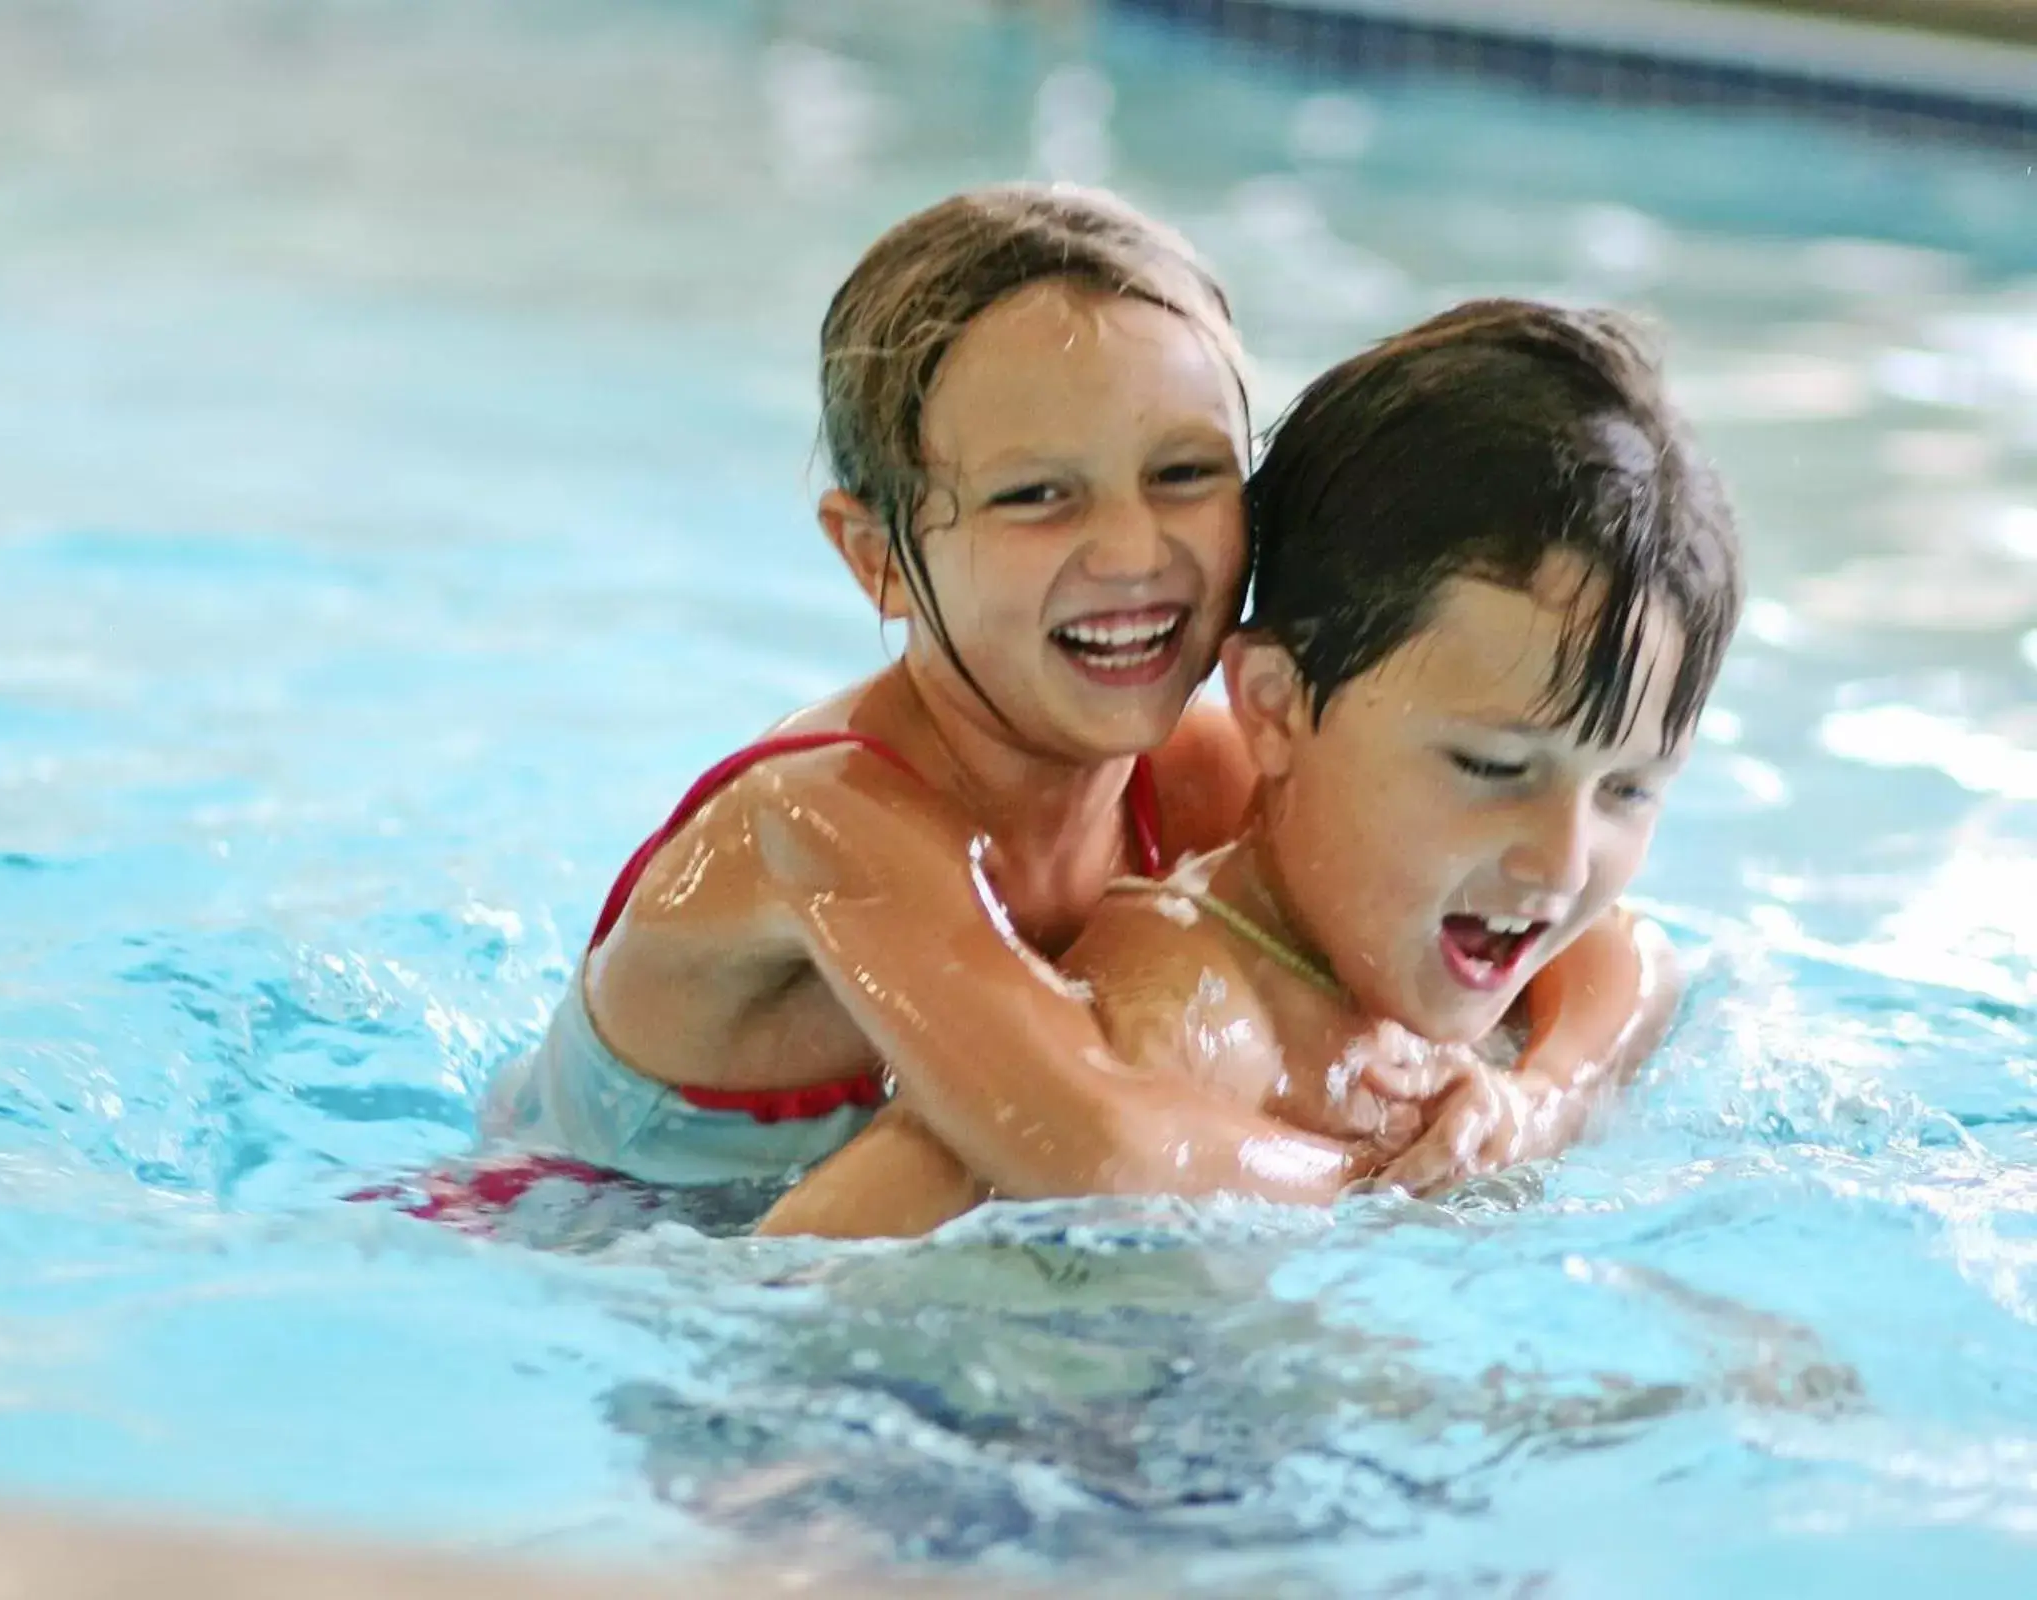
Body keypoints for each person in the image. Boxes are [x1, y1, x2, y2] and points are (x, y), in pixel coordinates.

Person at [478, 187, 1659, 1204]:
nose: (1135, 549)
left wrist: (1529, 1102)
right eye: (1040, 494)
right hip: (588, 1254)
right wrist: (1400, 1169)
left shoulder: (1200, 771)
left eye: (1185, 473)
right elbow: (1094, 1146)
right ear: (876, 556)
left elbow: (1607, 948)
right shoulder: (822, 821)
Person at [758, 300, 1737, 1237]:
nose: (1562, 866)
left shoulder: (1436, 924)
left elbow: (1632, 958)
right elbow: (802, 1257)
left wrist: (1537, 1104)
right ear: (1272, 707)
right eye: (1493, 766)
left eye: (1628, 788)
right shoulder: (1183, 1018)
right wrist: (1374, 1183)